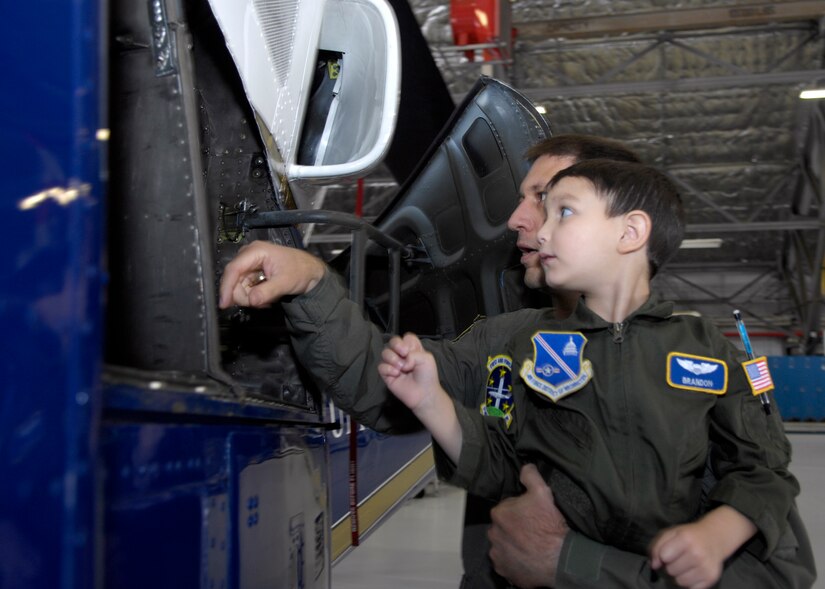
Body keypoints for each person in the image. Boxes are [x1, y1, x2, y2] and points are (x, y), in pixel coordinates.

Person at [219, 137, 816, 587]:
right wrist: (313, 283)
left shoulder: (706, 357)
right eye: (536, 202)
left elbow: (776, 571)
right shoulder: (506, 341)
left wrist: (572, 563)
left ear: (626, 231)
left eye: (555, 204)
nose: (519, 220)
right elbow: (387, 381)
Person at [377, 159, 816, 588]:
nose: (543, 230)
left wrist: (718, 534)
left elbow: (764, 469)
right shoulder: (534, 345)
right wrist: (431, 401)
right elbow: (502, 466)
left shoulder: (709, 352)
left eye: (564, 212)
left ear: (630, 233)